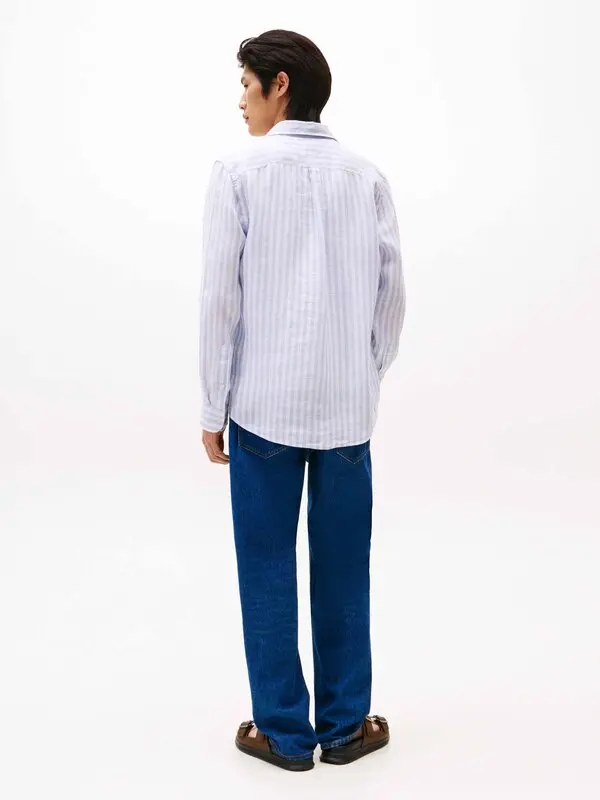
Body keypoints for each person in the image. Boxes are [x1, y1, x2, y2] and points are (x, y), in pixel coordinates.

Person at [199, 29, 406, 772]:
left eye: (246, 84)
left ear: (279, 84)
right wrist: (363, 371)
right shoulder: (366, 176)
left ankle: (283, 734)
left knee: (265, 566)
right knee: (345, 566)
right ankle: (346, 728)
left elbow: (220, 300)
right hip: (347, 410)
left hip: (263, 406)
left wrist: (212, 406)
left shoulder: (237, 172)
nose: (241, 100)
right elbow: (392, 295)